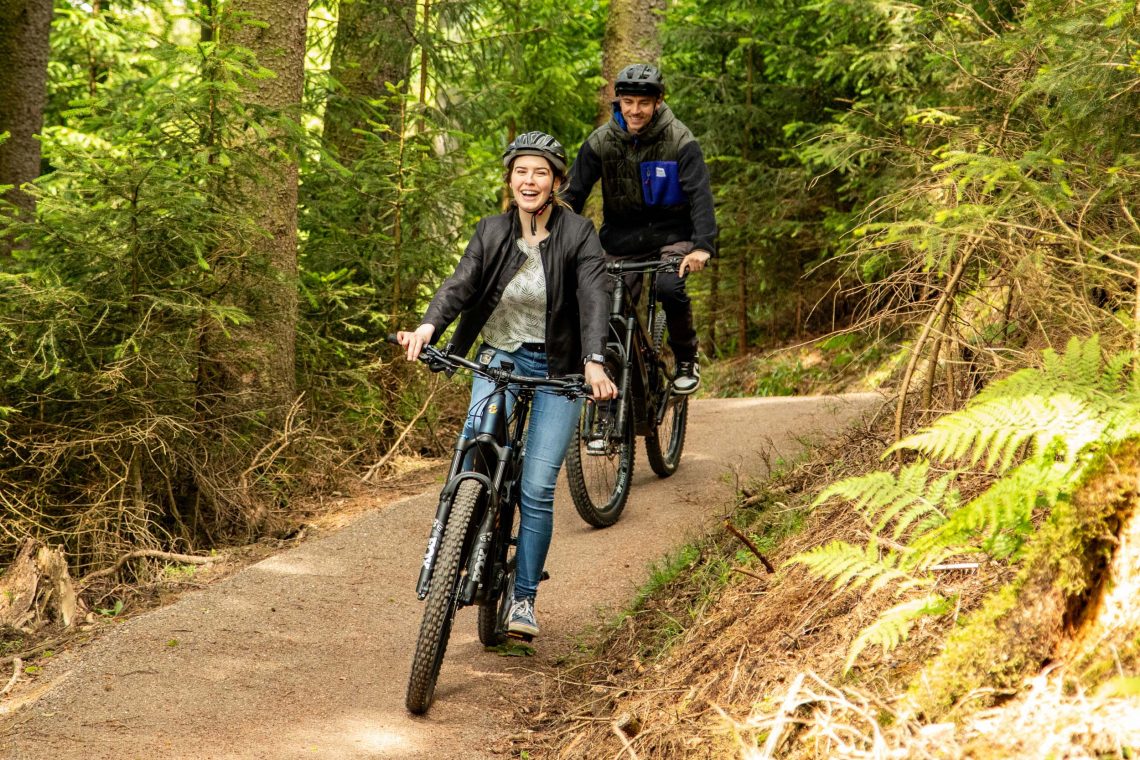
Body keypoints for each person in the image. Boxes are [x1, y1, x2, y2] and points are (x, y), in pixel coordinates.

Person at [396, 131, 618, 639]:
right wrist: (430, 326)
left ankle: (522, 599)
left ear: (557, 182)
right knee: (474, 452)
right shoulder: (491, 231)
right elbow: (462, 282)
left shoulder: (580, 233)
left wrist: (593, 361)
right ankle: (455, 546)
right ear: (510, 178)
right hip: (498, 360)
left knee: (538, 489)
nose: (530, 180)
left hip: (559, 371)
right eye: (522, 171)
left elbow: (593, 299)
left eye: (541, 172)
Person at [564, 63, 717, 394]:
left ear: (658, 102)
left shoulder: (680, 140)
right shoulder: (601, 141)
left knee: (669, 287)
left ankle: (686, 359)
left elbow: (700, 197)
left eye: (643, 103)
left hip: (672, 234)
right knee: (602, 299)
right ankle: (608, 377)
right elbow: (572, 194)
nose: (635, 111)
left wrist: (702, 246)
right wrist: (551, 236)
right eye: (628, 102)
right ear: (618, 100)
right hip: (621, 238)